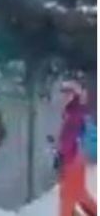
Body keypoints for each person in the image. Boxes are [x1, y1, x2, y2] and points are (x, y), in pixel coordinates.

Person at [54, 80, 96, 216]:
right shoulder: (72, 112)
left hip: (73, 160)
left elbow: (68, 140)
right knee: (78, 193)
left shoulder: (74, 114)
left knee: (68, 196)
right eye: (63, 93)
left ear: (75, 95)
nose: (64, 97)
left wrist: (60, 154)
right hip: (75, 159)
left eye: (68, 93)